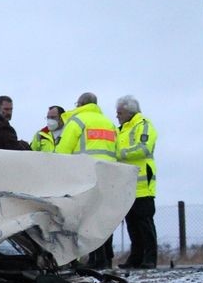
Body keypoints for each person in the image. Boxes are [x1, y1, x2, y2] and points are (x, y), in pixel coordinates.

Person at [55, 92, 118, 268]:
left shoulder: (77, 121)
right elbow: (118, 151)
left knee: (85, 220)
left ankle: (91, 260)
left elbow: (62, 152)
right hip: (107, 176)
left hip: (83, 177)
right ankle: (104, 259)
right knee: (102, 219)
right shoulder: (109, 123)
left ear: (80, 104)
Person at [115, 95, 159, 268]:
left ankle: (150, 259)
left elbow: (144, 148)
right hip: (126, 184)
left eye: (119, 112)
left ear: (129, 111)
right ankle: (135, 258)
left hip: (142, 184)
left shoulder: (144, 125)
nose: (117, 116)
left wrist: (119, 154)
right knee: (132, 223)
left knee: (144, 223)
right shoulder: (122, 129)